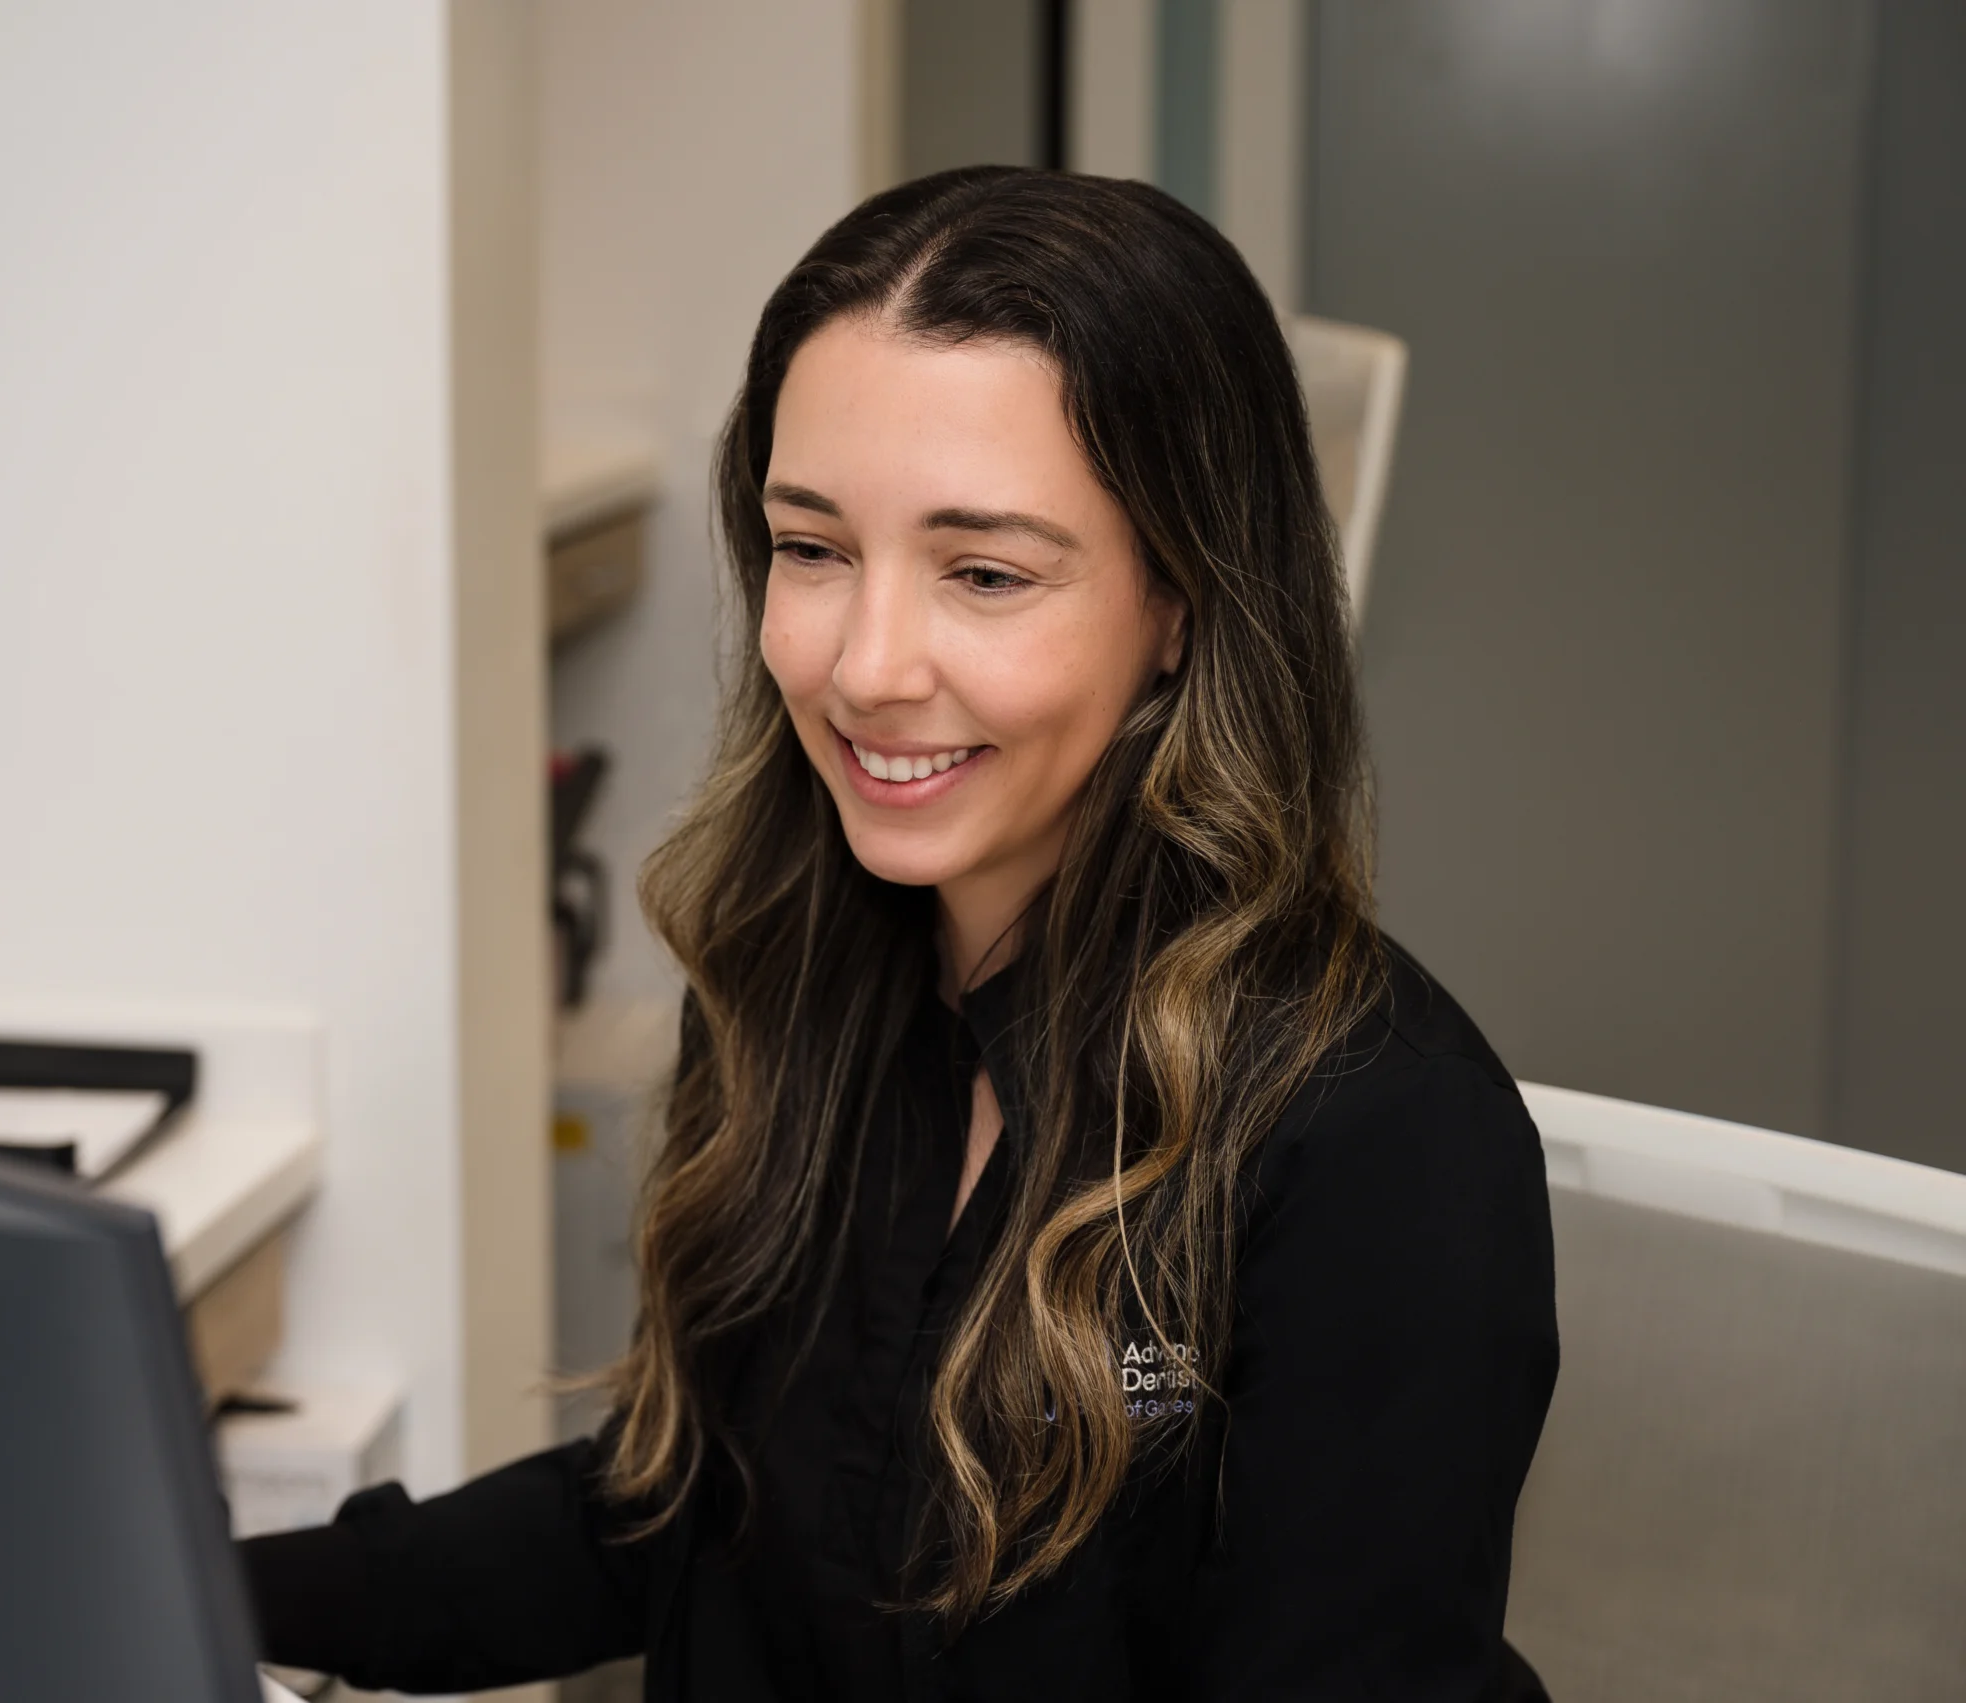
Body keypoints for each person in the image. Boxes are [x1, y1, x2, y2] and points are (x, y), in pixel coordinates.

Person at [241, 167, 1558, 1701]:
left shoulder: (1380, 1137)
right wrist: (178, 1583)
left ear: (1182, 602)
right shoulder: (793, 978)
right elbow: (684, 1511)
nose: (866, 666)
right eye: (812, 548)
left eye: (984, 573)